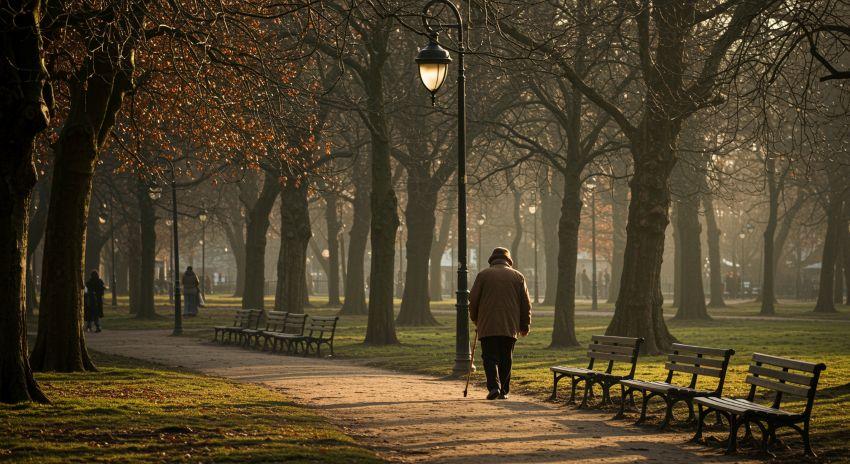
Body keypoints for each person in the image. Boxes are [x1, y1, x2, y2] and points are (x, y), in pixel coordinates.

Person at [469, 247, 532, 400]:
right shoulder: (518, 276)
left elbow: (473, 300)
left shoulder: (483, 275)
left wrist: (476, 319)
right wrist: (525, 325)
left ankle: (493, 387)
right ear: (508, 260)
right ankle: (504, 390)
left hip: (487, 324)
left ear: (492, 260)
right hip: (509, 325)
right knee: (506, 358)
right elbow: (526, 304)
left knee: (489, 357)